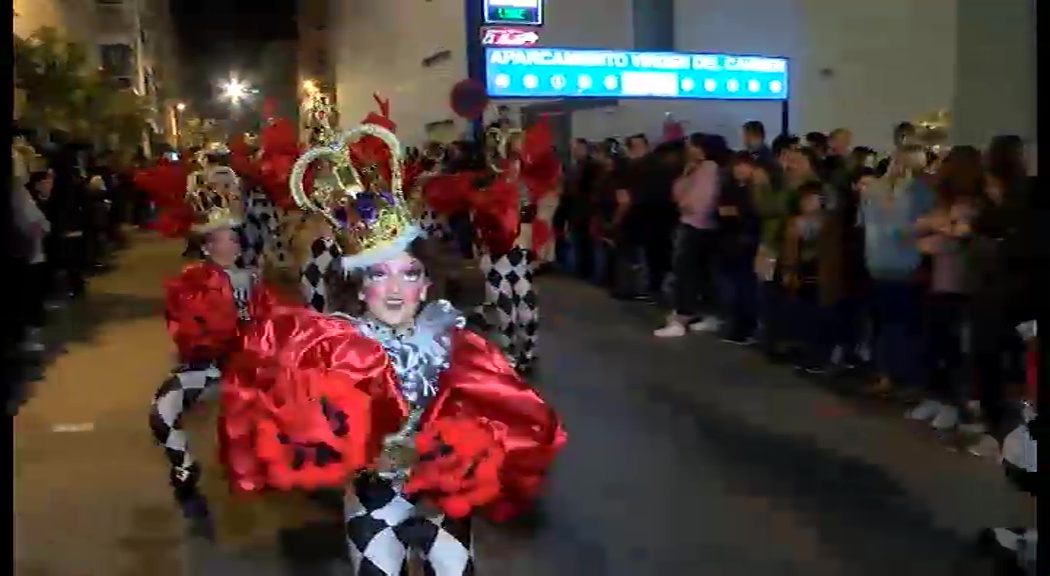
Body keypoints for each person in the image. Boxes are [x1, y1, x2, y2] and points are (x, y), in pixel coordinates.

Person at [221, 123, 567, 575]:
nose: (396, 289)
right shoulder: (332, 348)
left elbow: (516, 422)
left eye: (409, 273)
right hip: (374, 497)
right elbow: (273, 413)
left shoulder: (463, 347)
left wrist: (470, 448)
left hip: (442, 497)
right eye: (379, 274)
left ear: (427, 283)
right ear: (359, 287)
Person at [143, 157, 282, 527]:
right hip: (206, 366)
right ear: (206, 246)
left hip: (249, 366)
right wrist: (213, 342)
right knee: (162, 411)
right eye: (221, 240)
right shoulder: (188, 283)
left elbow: (273, 324)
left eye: (234, 239)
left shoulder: (253, 280)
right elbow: (186, 330)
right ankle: (184, 467)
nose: (230, 246)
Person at [860, 145, 934, 397]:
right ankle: (904, 378)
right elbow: (920, 228)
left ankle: (886, 375)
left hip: (878, 264)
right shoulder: (919, 191)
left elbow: (865, 225)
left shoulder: (871, 189)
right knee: (905, 326)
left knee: (885, 325)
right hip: (905, 267)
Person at [654, 133, 723, 337]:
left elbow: (700, 201)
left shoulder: (709, 168)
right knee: (696, 273)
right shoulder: (696, 168)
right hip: (693, 224)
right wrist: (686, 175)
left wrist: (685, 204)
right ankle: (700, 314)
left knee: (685, 273)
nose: (687, 149)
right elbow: (676, 193)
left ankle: (682, 318)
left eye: (691, 145)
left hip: (696, 226)